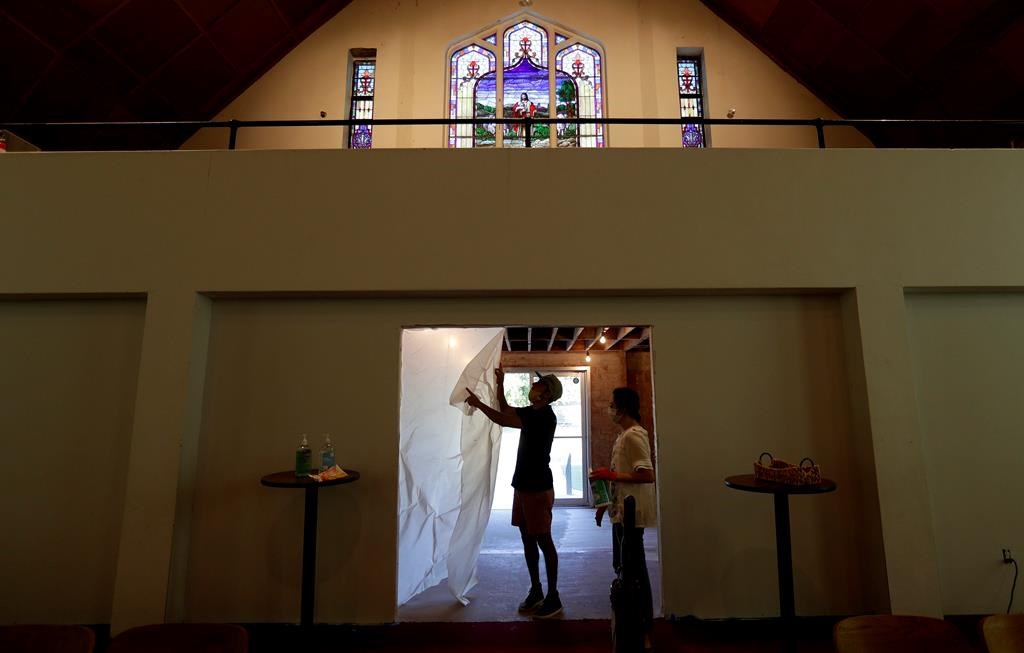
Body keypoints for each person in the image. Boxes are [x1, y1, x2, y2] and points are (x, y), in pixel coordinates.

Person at [465, 368, 563, 618]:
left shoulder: (545, 417)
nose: (534, 387)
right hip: (522, 485)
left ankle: (553, 597)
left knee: (543, 540)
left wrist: (477, 403)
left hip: (538, 487)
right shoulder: (533, 412)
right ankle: (537, 590)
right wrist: (500, 383)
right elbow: (507, 409)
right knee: (528, 539)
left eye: (538, 385)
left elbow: (503, 420)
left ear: (546, 394)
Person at [590, 387, 656, 648]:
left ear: (624, 409)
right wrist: (604, 503)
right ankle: (631, 621)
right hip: (620, 513)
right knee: (623, 567)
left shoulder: (634, 436)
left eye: (612, 404)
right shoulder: (623, 436)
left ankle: (645, 627)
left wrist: (612, 476)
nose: (610, 409)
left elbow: (646, 474)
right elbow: (619, 476)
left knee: (636, 570)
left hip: (632, 515)